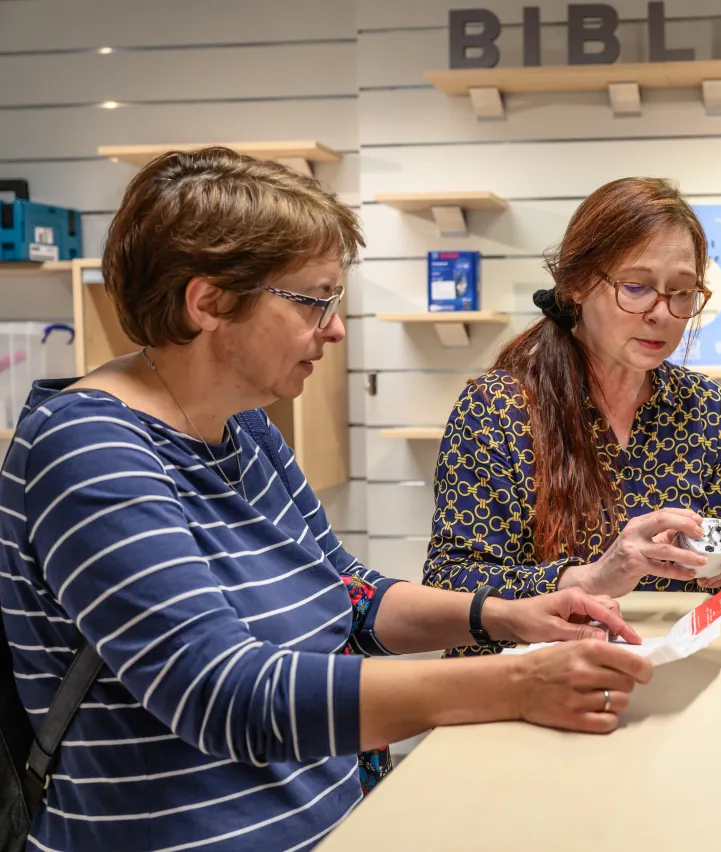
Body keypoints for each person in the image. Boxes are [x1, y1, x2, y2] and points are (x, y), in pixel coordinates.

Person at [0, 148, 654, 852]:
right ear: (210, 301)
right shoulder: (90, 450)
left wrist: (510, 615)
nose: (335, 328)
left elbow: (346, 596)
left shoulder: (243, 426)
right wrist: (516, 683)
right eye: (315, 300)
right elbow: (225, 694)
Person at [424, 178, 721, 636]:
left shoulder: (709, 411)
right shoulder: (497, 410)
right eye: (637, 286)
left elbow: (715, 590)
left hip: (670, 669)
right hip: (533, 679)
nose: (661, 313)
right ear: (578, 285)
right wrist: (590, 578)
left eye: (682, 292)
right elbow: (451, 587)